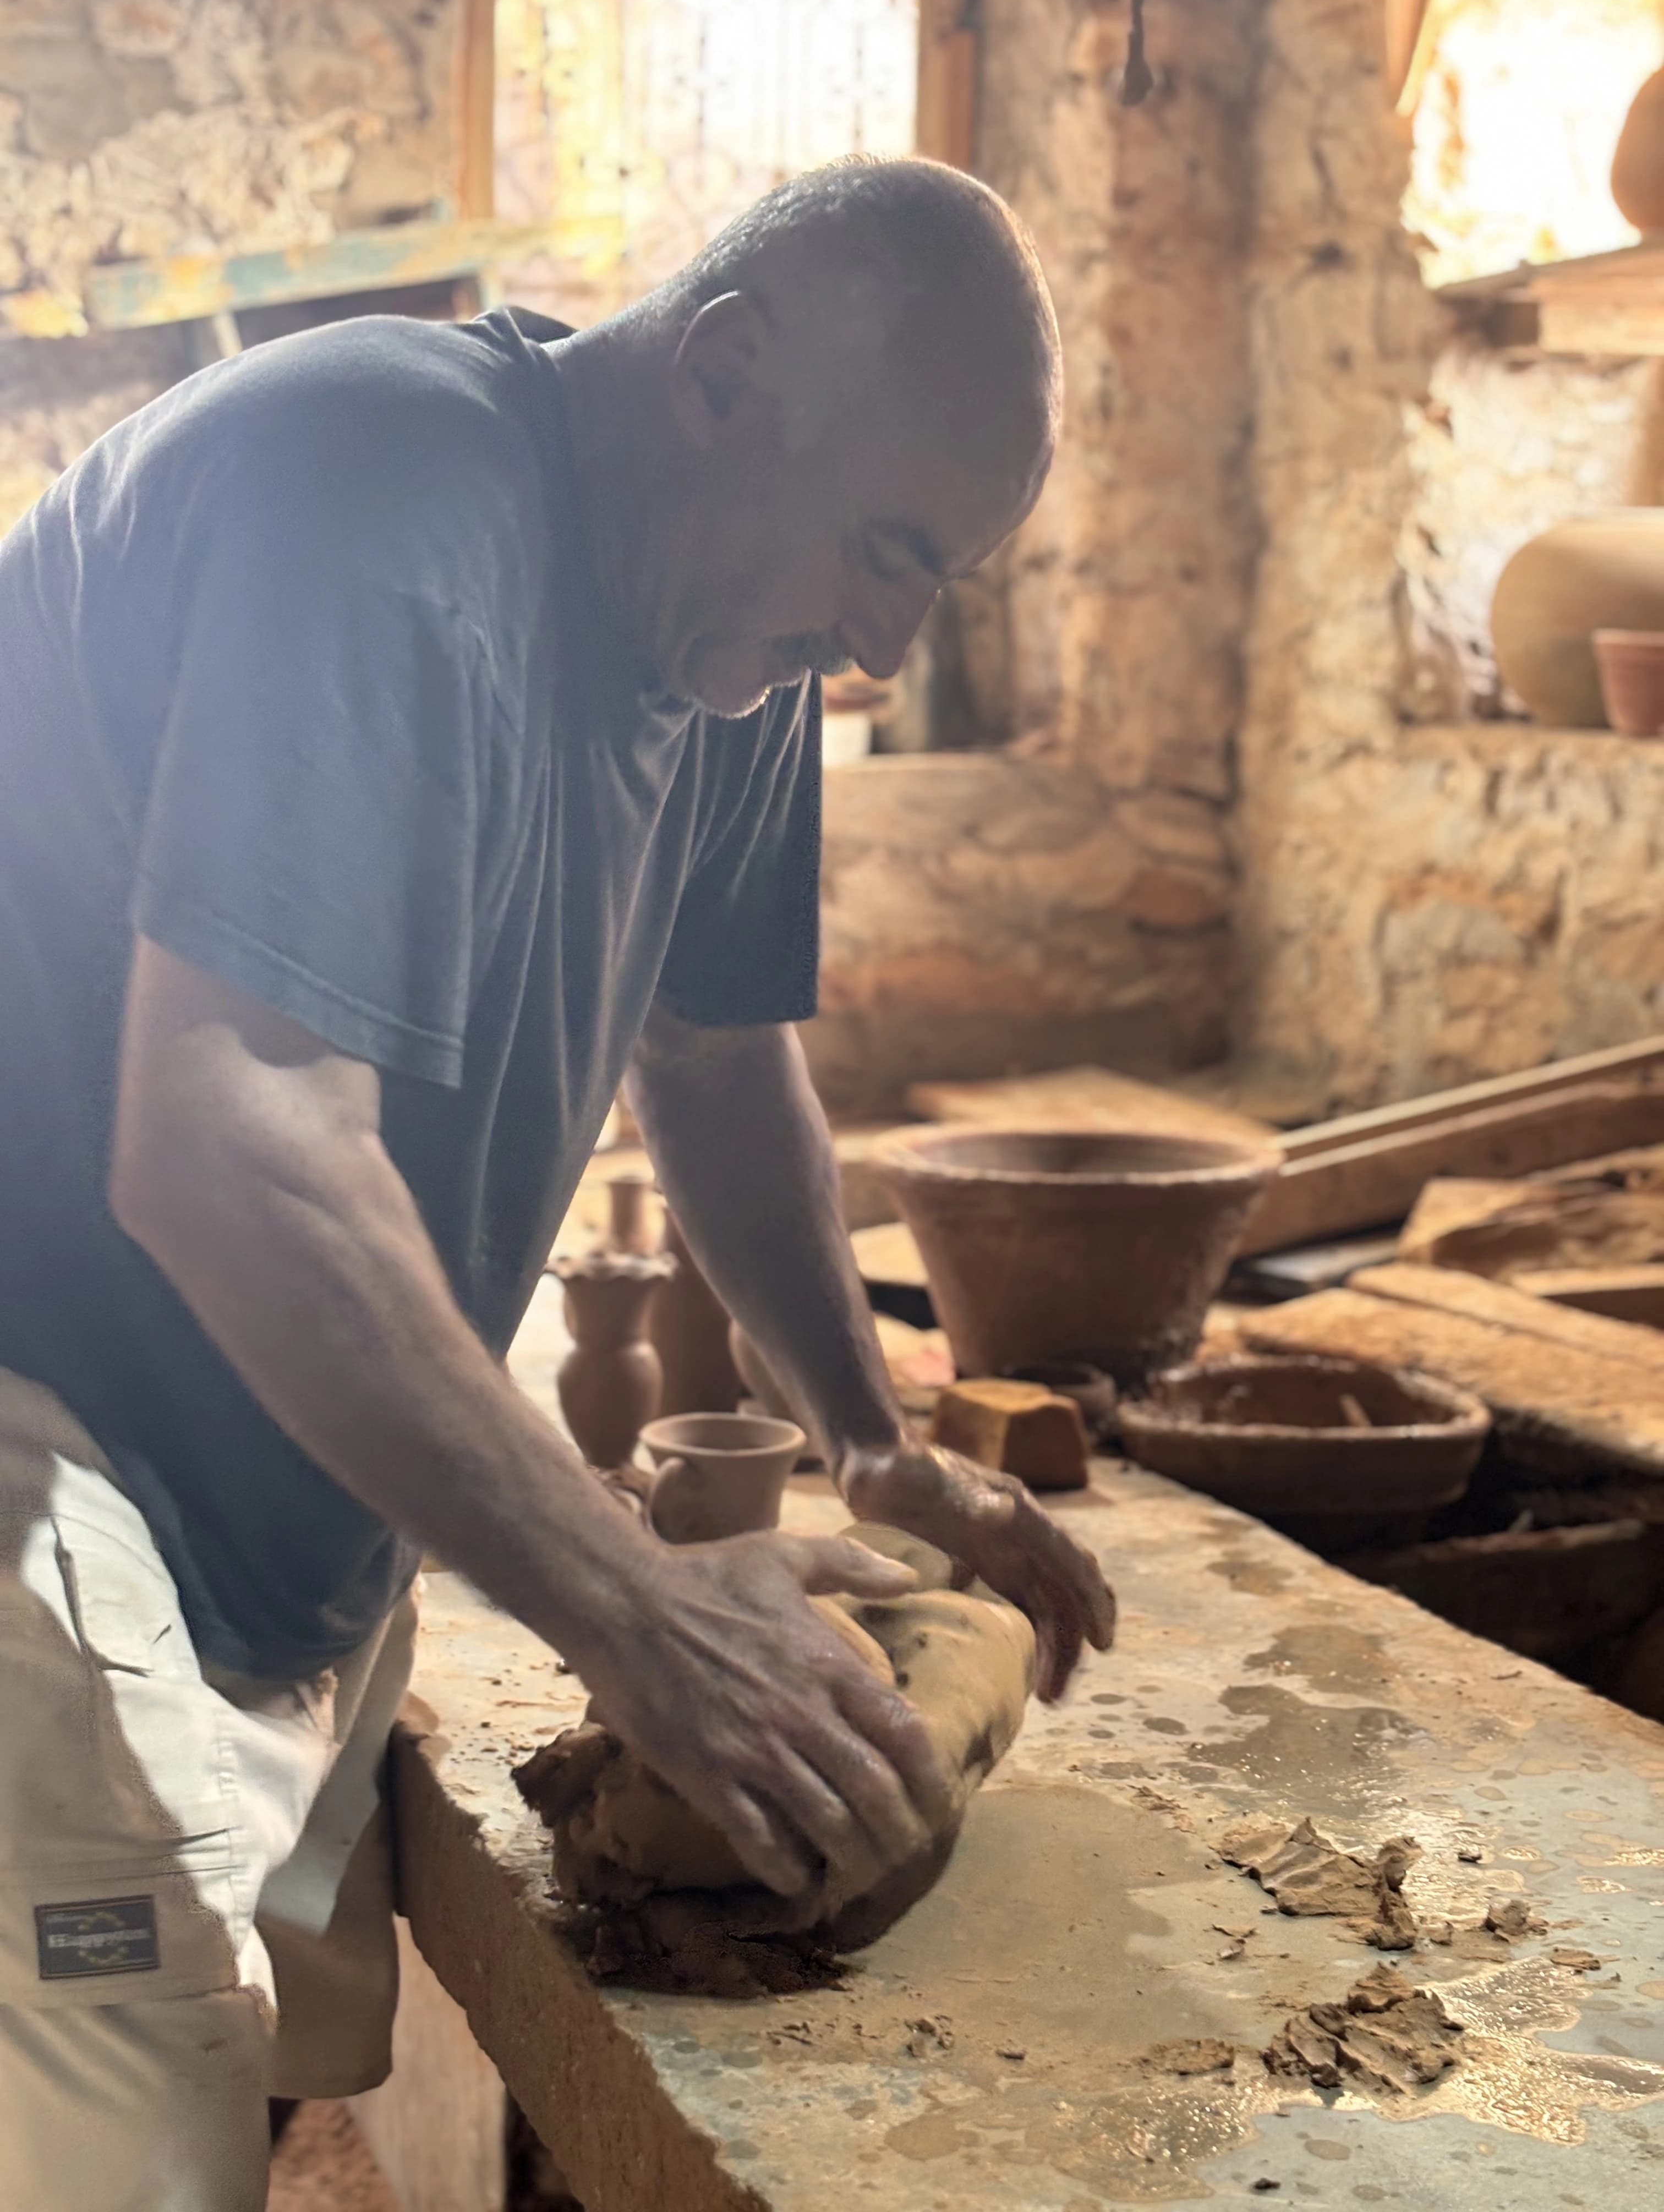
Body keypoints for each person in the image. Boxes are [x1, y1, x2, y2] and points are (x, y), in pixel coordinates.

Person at [0, 156, 1115, 2208]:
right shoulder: (369, 497)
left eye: (938, 580)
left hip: (289, 1486)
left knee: (244, 2097)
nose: (886, 639)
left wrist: (868, 1442)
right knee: (111, 2154)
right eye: (886, 550)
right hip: (52, 1464)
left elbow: (718, 1056)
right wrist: (632, 1609)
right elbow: (226, 1132)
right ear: (723, 370)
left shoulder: (731, 636)